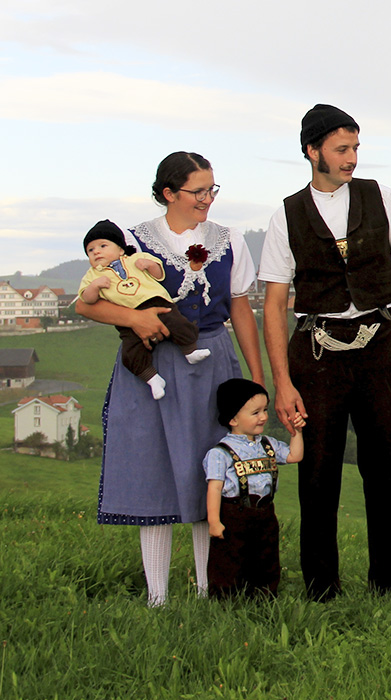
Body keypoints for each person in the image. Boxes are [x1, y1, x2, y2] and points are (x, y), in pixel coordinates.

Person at [259, 104, 391, 600]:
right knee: (318, 477)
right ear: (312, 150)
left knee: (385, 474)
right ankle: (322, 592)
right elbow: (275, 302)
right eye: (342, 149)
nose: (352, 159)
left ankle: (389, 587)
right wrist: (282, 382)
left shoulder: (380, 196)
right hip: (316, 355)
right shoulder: (287, 214)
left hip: (381, 348)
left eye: (356, 148)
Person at [76, 152, 264, 607]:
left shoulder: (230, 239)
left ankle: (207, 590)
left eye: (211, 189)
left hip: (213, 361)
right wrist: (133, 320)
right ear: (168, 193)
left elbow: (240, 306)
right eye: (198, 191)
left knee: (210, 471)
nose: (207, 199)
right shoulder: (129, 241)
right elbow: (87, 303)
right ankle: (157, 597)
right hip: (153, 364)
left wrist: (257, 379)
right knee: (153, 470)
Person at [79, 219, 211, 399]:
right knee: (131, 351)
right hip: (128, 317)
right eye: (91, 250)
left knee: (177, 323)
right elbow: (87, 299)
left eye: (103, 245)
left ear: (120, 249)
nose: (97, 252)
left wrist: (149, 265)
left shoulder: (135, 259)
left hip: (156, 302)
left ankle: (190, 350)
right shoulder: (93, 275)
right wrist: (95, 286)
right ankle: (152, 378)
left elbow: (158, 274)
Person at [203, 378, 305, 598]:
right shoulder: (220, 453)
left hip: (265, 512)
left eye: (265, 410)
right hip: (234, 513)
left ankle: (264, 596)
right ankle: (224, 599)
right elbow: (214, 488)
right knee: (230, 559)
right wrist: (214, 521)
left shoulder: (267, 444)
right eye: (255, 412)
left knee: (266, 558)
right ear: (233, 418)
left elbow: (294, 456)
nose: (264, 417)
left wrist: (296, 432)